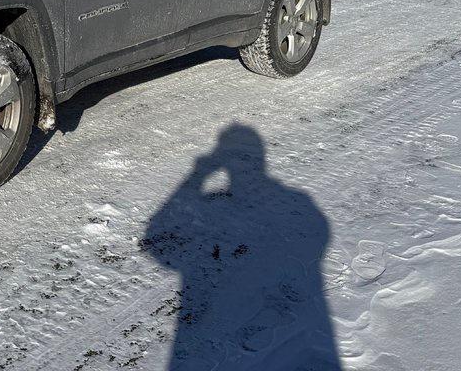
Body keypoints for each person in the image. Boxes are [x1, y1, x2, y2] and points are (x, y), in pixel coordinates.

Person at [144, 124, 341, 369]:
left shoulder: (289, 202)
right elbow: (318, 232)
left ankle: (267, 313)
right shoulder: (295, 200)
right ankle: (270, 310)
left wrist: (196, 176)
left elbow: (154, 242)